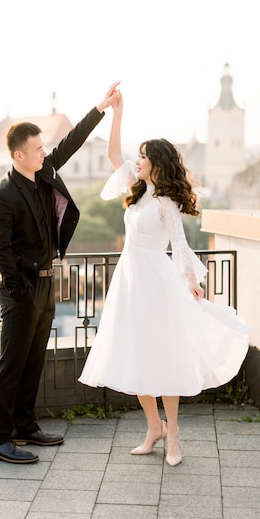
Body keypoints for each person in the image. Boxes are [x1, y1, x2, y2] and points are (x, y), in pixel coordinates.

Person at [78, 87, 250, 467]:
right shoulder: (136, 191)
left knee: (164, 356)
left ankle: (173, 433)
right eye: (137, 156)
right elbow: (111, 154)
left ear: (156, 163)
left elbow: (180, 243)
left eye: (142, 157)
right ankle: (153, 427)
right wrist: (117, 113)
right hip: (129, 282)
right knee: (137, 355)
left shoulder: (165, 201)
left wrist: (191, 280)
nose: (135, 161)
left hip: (156, 282)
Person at [0, 82, 120, 464]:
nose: (45, 152)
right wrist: (20, 289)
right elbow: (0, 248)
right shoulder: (5, 194)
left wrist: (101, 108)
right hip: (22, 290)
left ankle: (24, 426)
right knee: (11, 363)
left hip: (46, 283)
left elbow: (71, 142)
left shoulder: (44, 172)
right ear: (18, 155)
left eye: (44, 147)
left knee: (33, 360)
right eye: (38, 148)